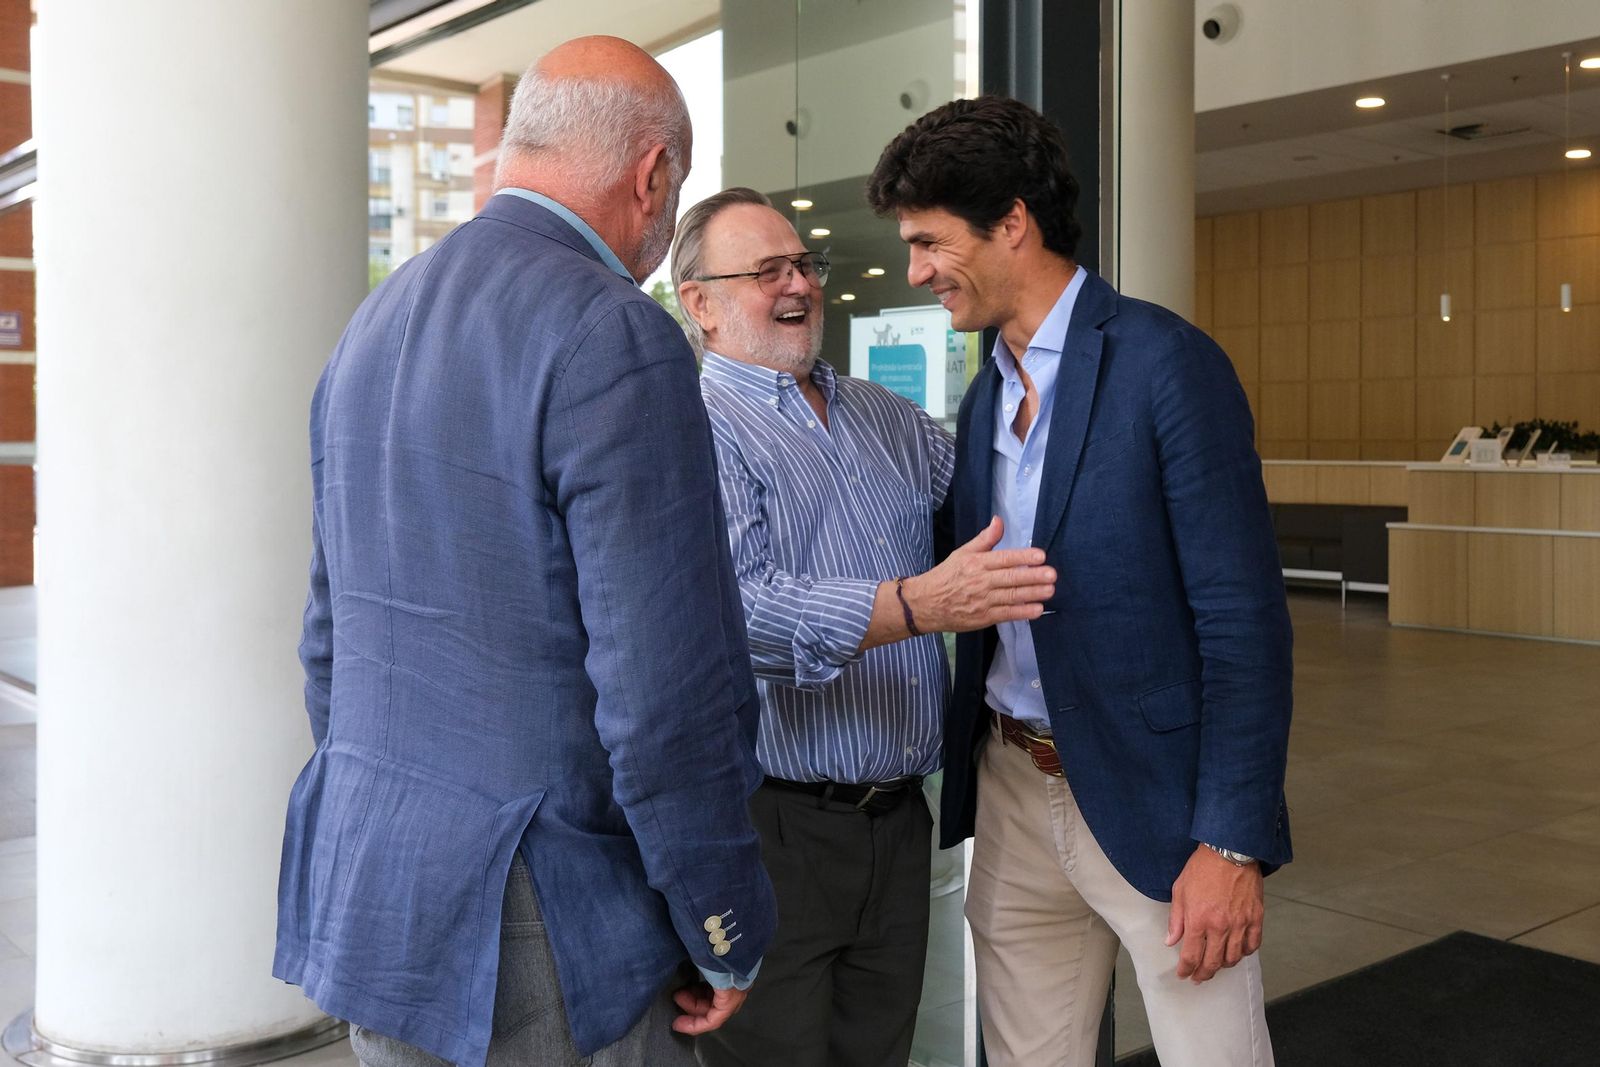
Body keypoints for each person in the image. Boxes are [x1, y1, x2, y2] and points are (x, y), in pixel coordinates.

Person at [274, 37, 776, 1067]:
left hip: (374, 890)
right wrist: (721, 919)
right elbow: (662, 694)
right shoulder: (615, 332)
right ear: (653, 175)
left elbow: (330, 646)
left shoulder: (368, 326)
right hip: (545, 923)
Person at [867, 96, 1294, 1067]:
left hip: (1158, 806)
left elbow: (1243, 625)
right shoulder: (984, 396)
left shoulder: (1165, 365)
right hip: (1013, 790)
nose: (916, 271)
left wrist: (1230, 843)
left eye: (929, 241)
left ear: (1011, 221)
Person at [670, 188, 1055, 1067]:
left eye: (805, 263)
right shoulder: (691, 428)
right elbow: (742, 614)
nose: (799, 282)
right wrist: (920, 604)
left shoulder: (886, 416)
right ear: (700, 302)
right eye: (767, 271)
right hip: (775, 827)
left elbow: (994, 514)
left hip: (899, 822)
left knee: (880, 1052)